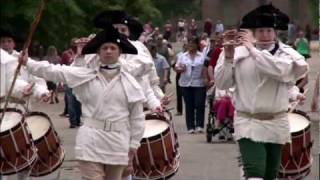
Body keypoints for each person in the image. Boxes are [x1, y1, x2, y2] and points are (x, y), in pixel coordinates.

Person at [19, 26, 146, 180]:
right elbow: (56, 71)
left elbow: (137, 118)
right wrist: (29, 63)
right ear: (98, 52)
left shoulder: (131, 83)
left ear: (120, 53)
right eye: (104, 48)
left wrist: (133, 146)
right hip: (90, 140)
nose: (108, 51)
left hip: (119, 142)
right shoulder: (85, 76)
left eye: (113, 48)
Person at [214, 4, 309, 180]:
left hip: (276, 122)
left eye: (269, 31)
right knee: (255, 172)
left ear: (275, 33)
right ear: (253, 33)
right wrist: (227, 56)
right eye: (260, 31)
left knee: (270, 175)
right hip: (248, 121)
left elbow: (280, 72)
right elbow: (221, 83)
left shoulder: (287, 55)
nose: (265, 35)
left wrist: (252, 49)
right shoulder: (237, 52)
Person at [92, 10, 170, 107]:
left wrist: (160, 97)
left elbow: (150, 80)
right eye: (115, 29)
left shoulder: (139, 48)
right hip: (106, 105)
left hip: (137, 105)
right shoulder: (99, 48)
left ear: (129, 32)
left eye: (123, 30)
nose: (119, 33)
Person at [175, 37, 206, 134]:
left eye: (193, 43)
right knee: (189, 105)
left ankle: (199, 125)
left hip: (199, 83)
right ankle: (190, 126)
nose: (191, 46)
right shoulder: (182, 56)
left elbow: (205, 67)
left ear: (197, 45)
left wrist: (206, 78)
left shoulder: (202, 56)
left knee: (199, 103)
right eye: (189, 43)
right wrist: (180, 69)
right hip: (185, 83)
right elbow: (176, 67)